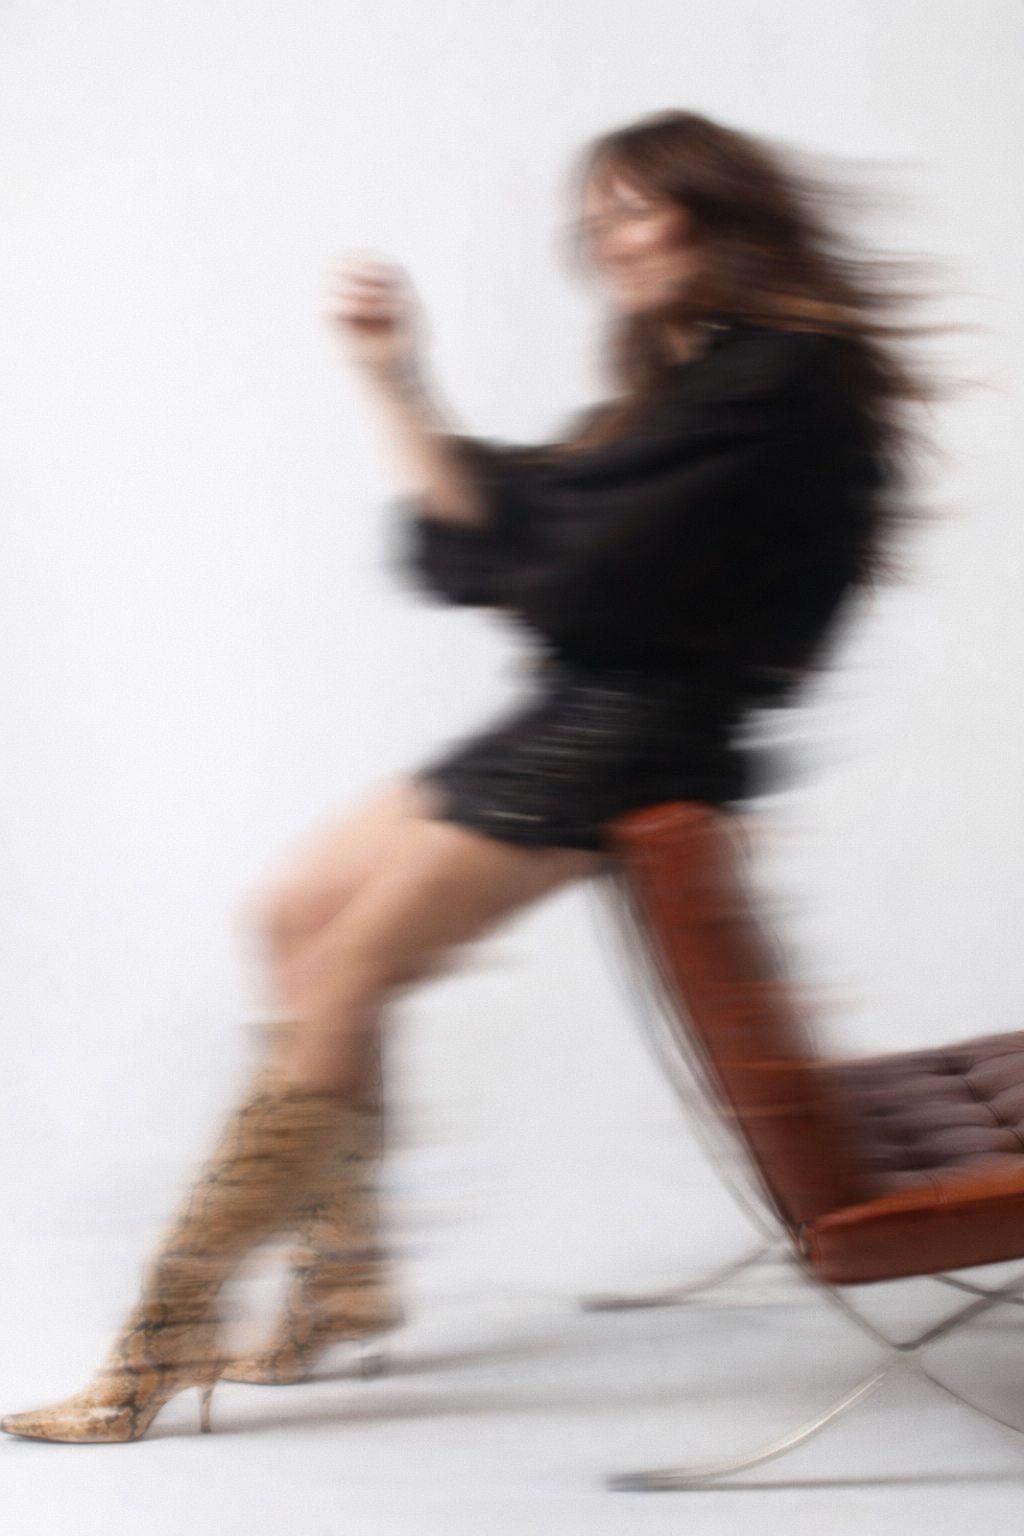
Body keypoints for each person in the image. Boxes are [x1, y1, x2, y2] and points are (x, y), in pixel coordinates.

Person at [2, 109, 922, 1443]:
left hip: (640, 733)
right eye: (595, 221)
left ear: (719, 210)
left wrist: (546, 552)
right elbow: (520, 526)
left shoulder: (786, 380)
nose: (611, 242)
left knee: (346, 966)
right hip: (578, 715)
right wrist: (395, 379)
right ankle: (344, 1284)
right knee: (290, 917)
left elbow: (574, 564)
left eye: (637, 209)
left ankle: (161, 1343)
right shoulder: (697, 380)